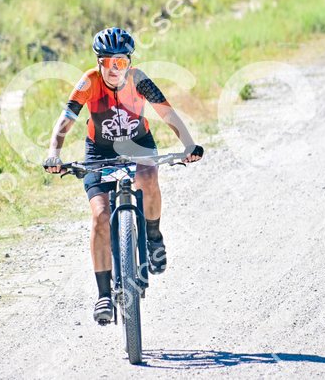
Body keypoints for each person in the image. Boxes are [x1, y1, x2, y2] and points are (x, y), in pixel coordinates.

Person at [43, 27, 204, 324]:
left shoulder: (139, 79)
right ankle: (104, 295)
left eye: (120, 62)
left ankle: (153, 237)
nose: (114, 69)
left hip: (138, 144)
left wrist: (189, 145)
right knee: (100, 216)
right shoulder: (89, 82)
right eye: (107, 62)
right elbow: (66, 120)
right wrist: (54, 152)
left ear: (130, 62)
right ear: (98, 62)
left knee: (149, 178)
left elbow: (167, 113)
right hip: (99, 152)